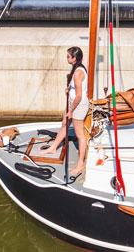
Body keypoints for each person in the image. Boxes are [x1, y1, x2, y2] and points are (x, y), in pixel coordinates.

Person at [42, 46, 89, 178]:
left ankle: (81, 163)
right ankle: (53, 147)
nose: (67, 58)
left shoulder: (79, 72)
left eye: (69, 56)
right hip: (73, 102)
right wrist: (69, 88)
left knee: (80, 134)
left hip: (78, 105)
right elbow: (75, 89)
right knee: (64, 124)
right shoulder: (76, 68)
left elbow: (79, 96)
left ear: (74, 58)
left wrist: (71, 111)